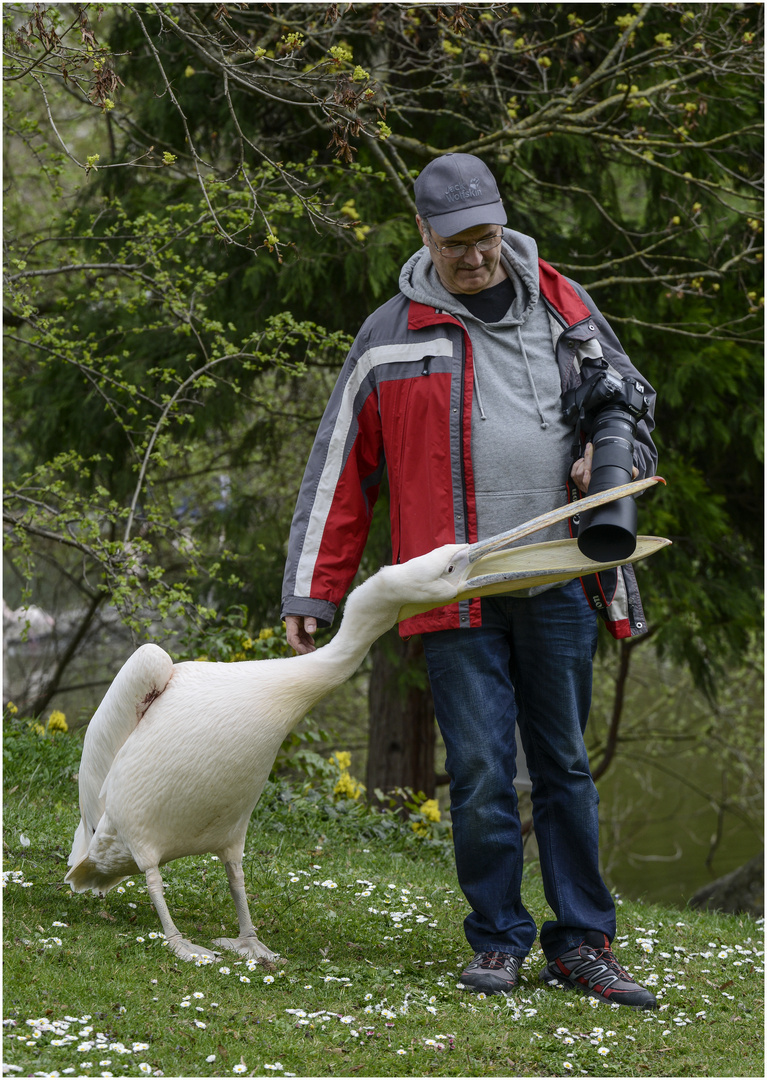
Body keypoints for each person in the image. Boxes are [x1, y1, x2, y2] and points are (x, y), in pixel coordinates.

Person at [281, 153, 658, 1009]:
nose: (476, 256)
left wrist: (606, 465)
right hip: (452, 591)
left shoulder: (563, 303)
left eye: (487, 237)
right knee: (485, 769)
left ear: (501, 223)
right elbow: (341, 469)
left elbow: (628, 404)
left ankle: (582, 945)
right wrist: (313, 586)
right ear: (424, 234)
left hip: (558, 576)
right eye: (458, 243)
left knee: (561, 764)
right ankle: (497, 940)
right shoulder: (390, 335)